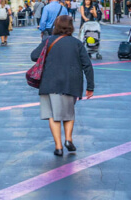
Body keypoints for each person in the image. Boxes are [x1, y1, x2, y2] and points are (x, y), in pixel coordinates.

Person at [30, 15, 94, 156]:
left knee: (53, 115)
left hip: (49, 82)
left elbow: (34, 56)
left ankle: (58, 146)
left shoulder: (48, 41)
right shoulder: (77, 43)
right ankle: (68, 139)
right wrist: (90, 87)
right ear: (71, 27)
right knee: (69, 113)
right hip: (71, 82)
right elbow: (87, 65)